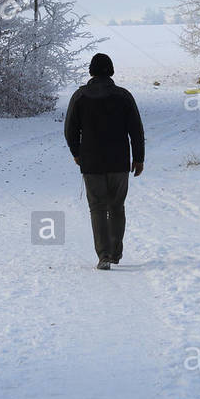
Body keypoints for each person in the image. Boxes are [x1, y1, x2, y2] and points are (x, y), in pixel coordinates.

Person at [64, 53, 145, 270]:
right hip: (119, 162)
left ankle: (104, 255)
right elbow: (136, 130)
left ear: (91, 71)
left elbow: (70, 129)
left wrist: (76, 153)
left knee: (97, 208)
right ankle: (116, 252)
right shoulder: (123, 96)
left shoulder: (80, 96)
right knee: (117, 206)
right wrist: (138, 159)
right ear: (111, 70)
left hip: (91, 163)